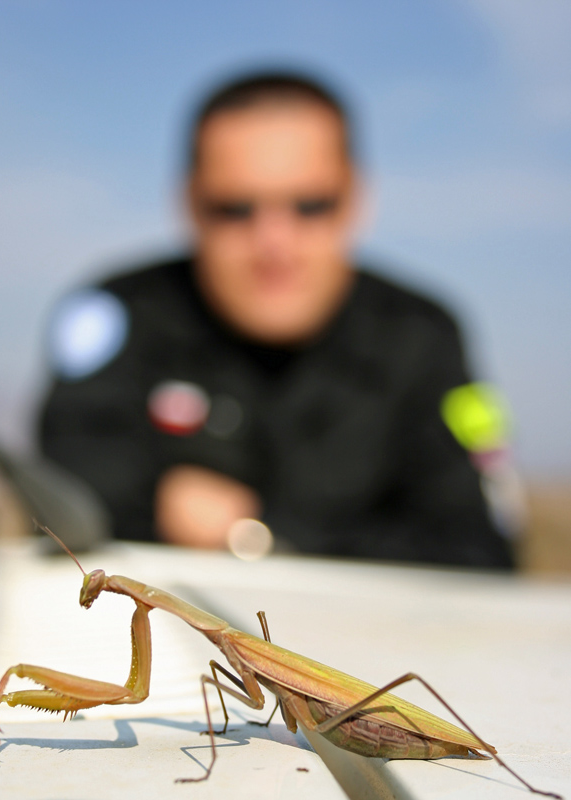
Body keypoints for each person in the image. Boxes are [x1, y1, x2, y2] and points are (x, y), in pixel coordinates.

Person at [38, 71, 515, 568]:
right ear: (189, 204)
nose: (275, 244)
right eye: (235, 209)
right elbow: (69, 510)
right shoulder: (115, 315)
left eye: (310, 206)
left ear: (356, 198)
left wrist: (255, 534)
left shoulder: (426, 334)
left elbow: (482, 545)